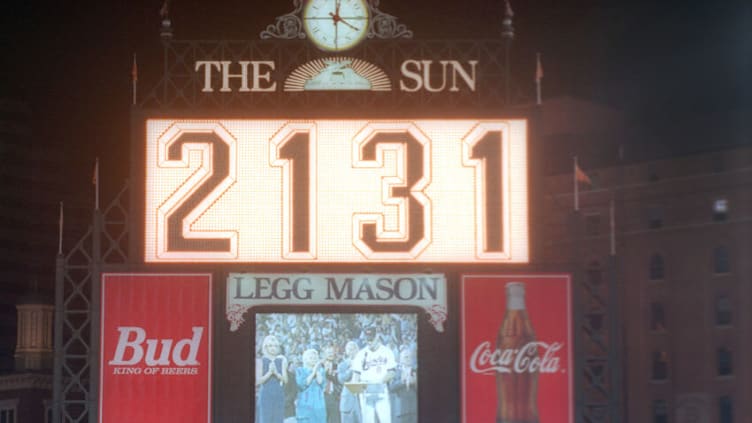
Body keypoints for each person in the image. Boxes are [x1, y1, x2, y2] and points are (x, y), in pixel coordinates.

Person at [352, 327, 396, 423]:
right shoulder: (361, 354)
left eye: (371, 338)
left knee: (385, 419)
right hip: (365, 390)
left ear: (377, 336)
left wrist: (379, 382)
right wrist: (355, 388)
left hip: (381, 389)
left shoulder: (387, 352)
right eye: (367, 339)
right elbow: (356, 375)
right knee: (368, 420)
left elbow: (392, 372)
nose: (369, 341)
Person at [256, 335, 288, 423]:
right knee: (265, 419)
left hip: (278, 393)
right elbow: (257, 381)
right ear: (265, 347)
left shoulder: (282, 360)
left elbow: (285, 380)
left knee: (278, 419)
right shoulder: (260, 361)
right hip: (266, 394)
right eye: (270, 345)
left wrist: (277, 374)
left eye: (275, 346)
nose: (273, 348)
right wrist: (270, 373)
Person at [296, 348, 327, 423]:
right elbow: (303, 384)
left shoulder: (321, 370)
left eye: (315, 358)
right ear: (305, 359)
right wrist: (313, 372)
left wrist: (317, 370)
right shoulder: (300, 370)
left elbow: (321, 383)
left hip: (319, 404)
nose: (314, 359)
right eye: (311, 358)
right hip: (305, 404)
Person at [388, 349, 417, 423]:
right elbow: (391, 388)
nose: (408, 359)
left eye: (410, 357)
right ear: (400, 360)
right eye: (406, 357)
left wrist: (415, 383)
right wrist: (402, 382)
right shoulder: (395, 372)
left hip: (415, 409)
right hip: (401, 409)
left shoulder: (416, 371)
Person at [337, 341, 362, 423]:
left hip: (361, 398)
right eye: (349, 349)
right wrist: (351, 369)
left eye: (354, 349)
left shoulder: (364, 363)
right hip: (348, 399)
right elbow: (341, 379)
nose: (352, 351)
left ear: (358, 350)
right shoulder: (342, 365)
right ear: (346, 351)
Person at [322, 345, 341, 423]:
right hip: (322, 396)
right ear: (324, 354)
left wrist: (329, 374)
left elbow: (338, 380)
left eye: (332, 352)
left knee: (335, 420)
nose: (330, 354)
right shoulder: (319, 366)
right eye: (328, 352)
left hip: (334, 396)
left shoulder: (338, 366)